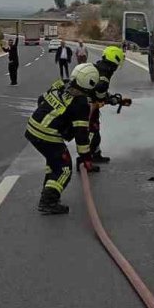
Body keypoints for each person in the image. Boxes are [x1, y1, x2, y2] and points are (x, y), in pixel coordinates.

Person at [25, 63, 106, 214]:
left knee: (54, 162)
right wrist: (86, 158)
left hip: (32, 127)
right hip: (47, 134)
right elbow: (81, 135)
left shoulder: (60, 84)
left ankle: (48, 191)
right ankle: (48, 201)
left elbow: (41, 99)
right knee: (64, 168)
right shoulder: (81, 103)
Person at [87, 44, 126, 164]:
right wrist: (111, 100)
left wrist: (110, 97)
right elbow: (100, 93)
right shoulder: (105, 73)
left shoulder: (99, 67)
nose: (116, 68)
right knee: (92, 131)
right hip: (89, 106)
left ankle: (95, 154)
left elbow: (99, 91)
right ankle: (87, 158)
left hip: (89, 103)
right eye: (117, 65)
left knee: (94, 130)